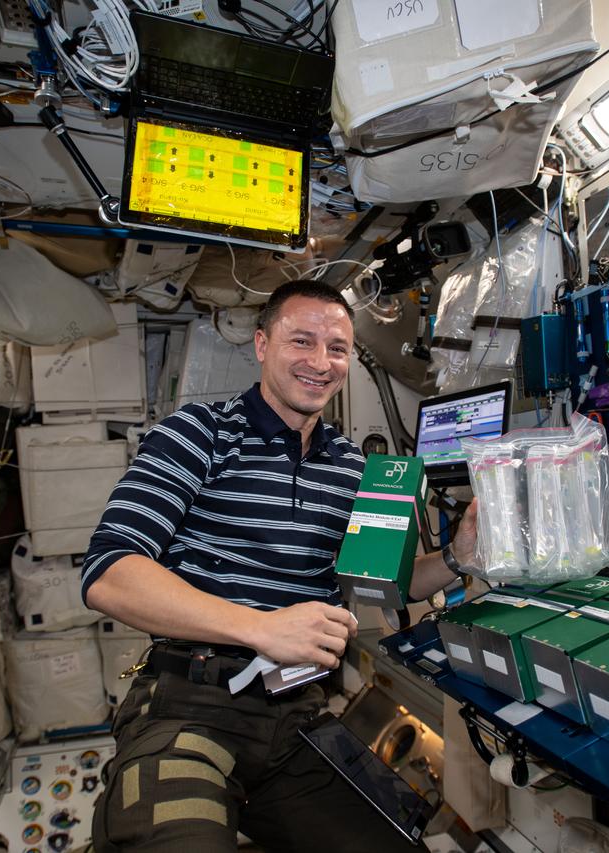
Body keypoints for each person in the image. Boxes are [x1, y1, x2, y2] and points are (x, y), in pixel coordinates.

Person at [81, 279, 479, 852]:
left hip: (297, 716)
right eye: (302, 341)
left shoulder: (351, 467)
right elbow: (110, 572)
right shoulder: (198, 434)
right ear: (263, 345)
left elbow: (387, 585)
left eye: (337, 348)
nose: (321, 362)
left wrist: (457, 558)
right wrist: (262, 626)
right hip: (190, 707)